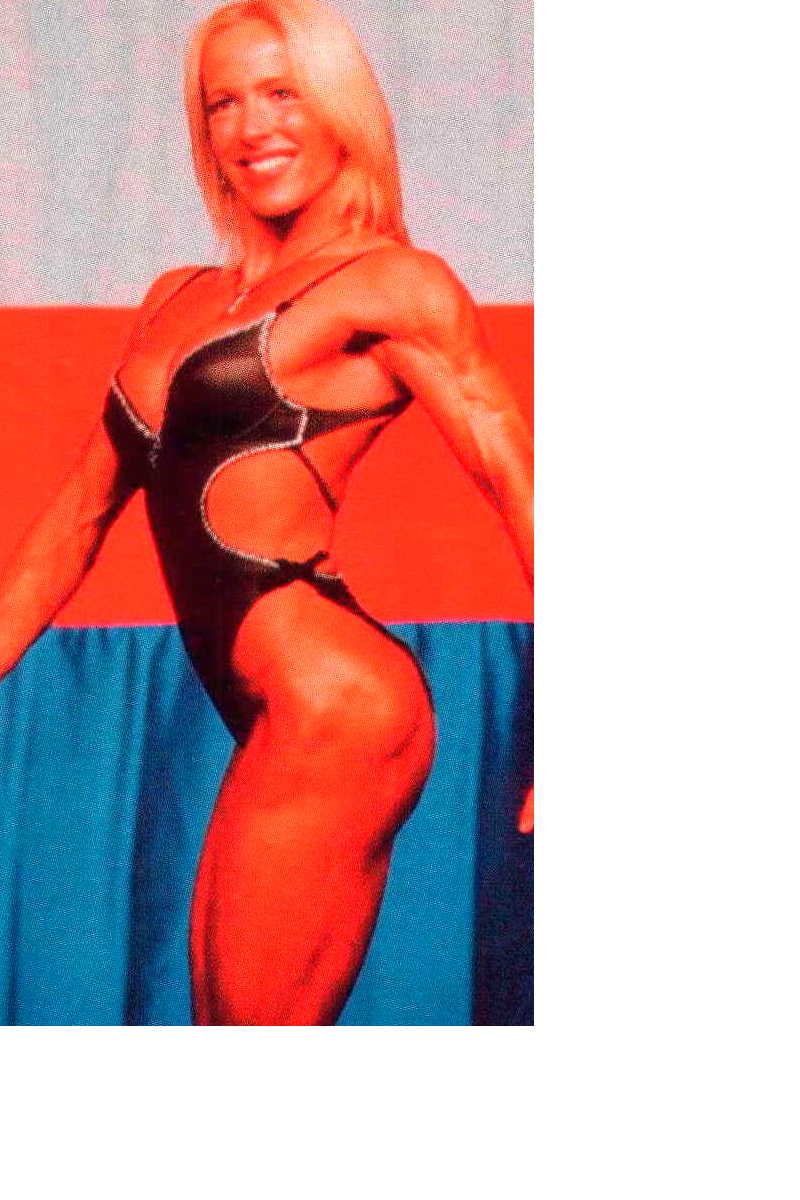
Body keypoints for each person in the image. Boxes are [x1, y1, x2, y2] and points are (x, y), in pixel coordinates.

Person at [0, 0, 532, 1024]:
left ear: (339, 107)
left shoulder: (391, 284)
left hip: (338, 702)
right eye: (224, 103)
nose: (254, 128)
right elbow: (72, 522)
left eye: (284, 93)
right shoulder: (175, 298)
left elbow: (521, 484)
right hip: (273, 706)